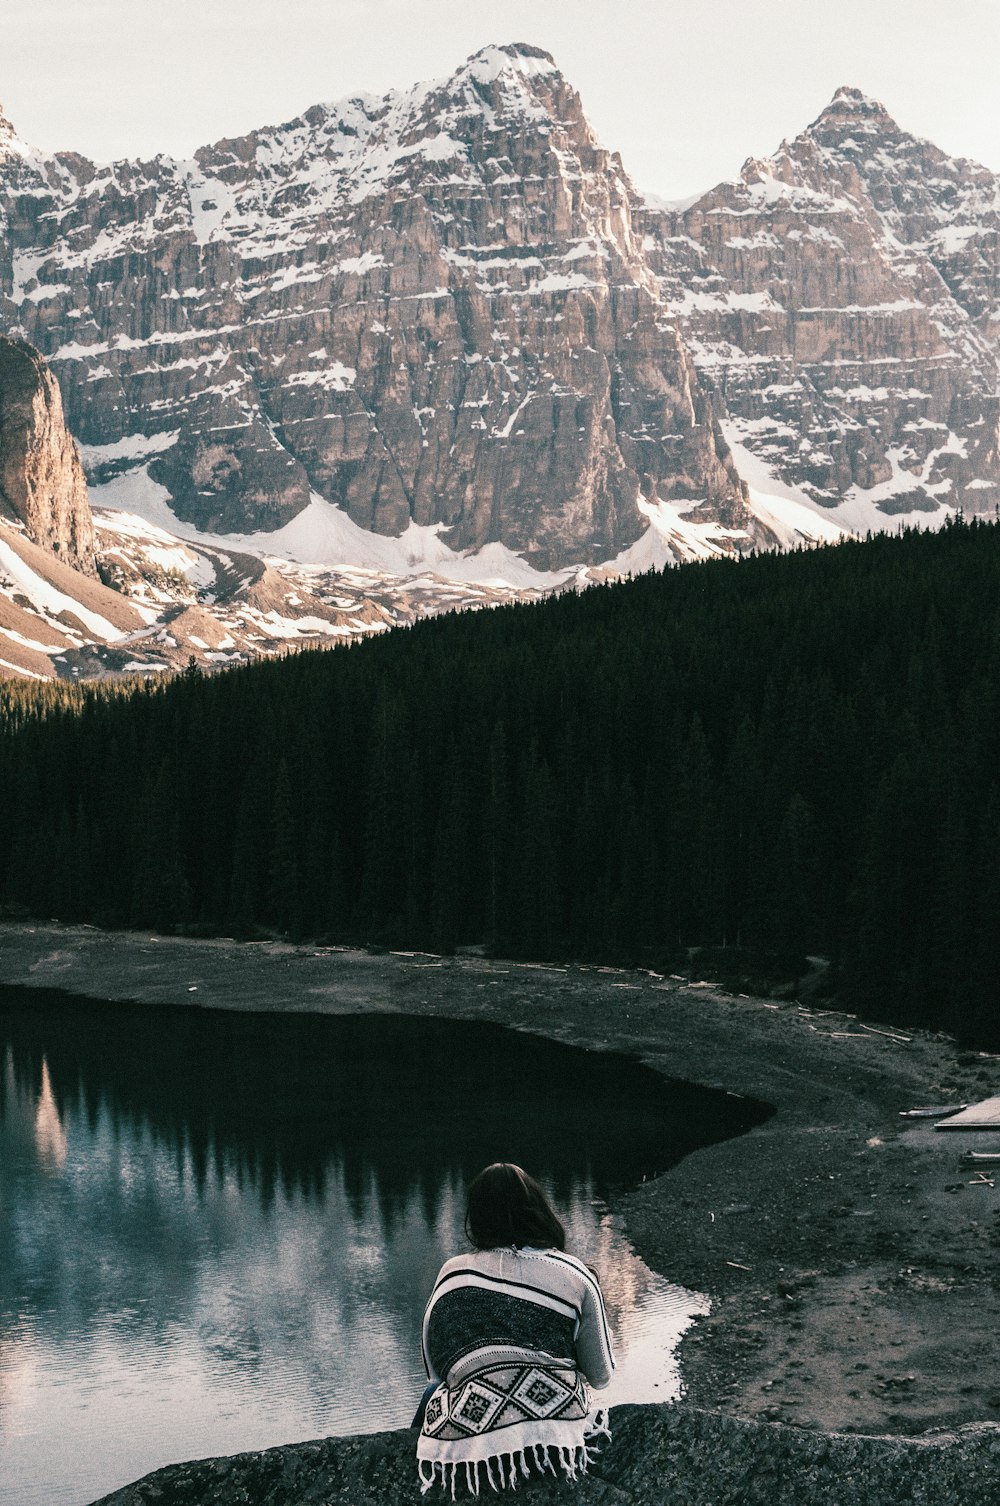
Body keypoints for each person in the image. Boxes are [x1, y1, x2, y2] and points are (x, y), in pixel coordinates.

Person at [415, 1162, 615, 1495]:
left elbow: (436, 1373)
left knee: (429, 1397)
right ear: (538, 1208)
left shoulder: (453, 1275)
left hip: (471, 1436)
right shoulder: (575, 1274)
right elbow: (601, 1376)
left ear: (477, 1217)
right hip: (554, 1436)